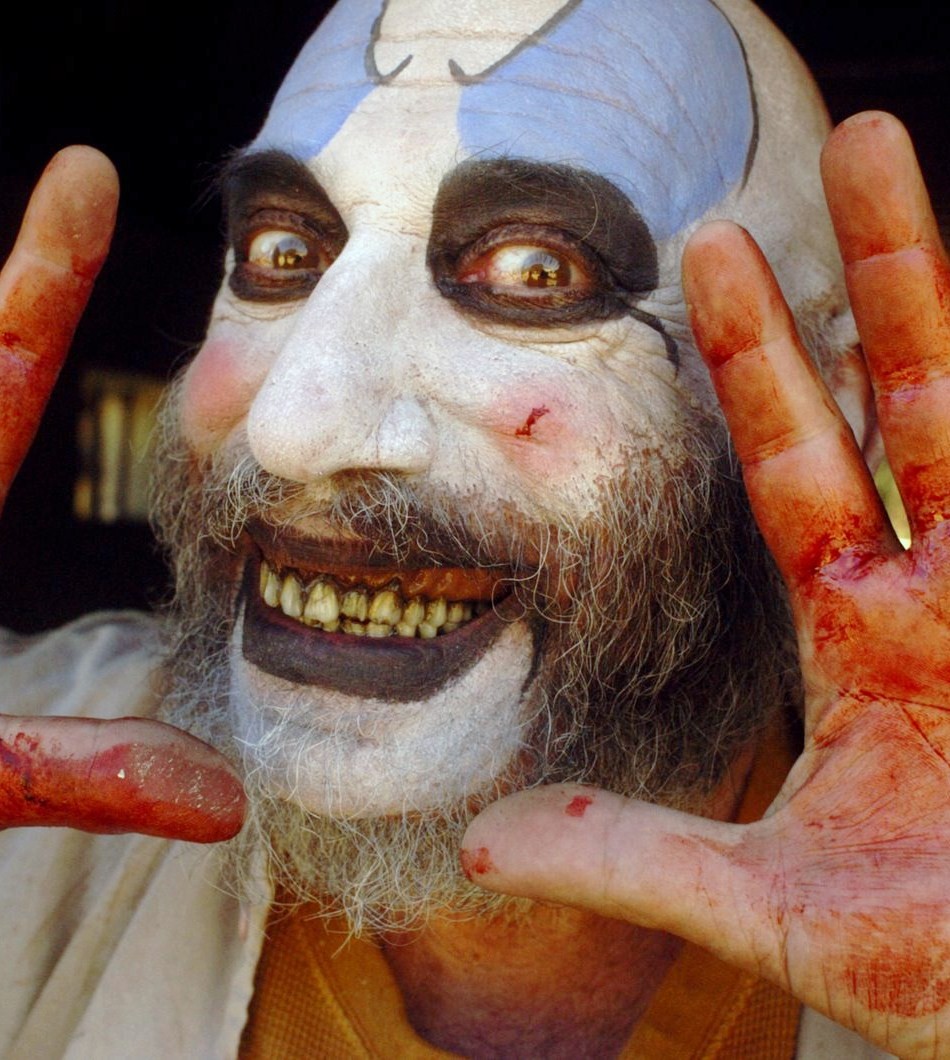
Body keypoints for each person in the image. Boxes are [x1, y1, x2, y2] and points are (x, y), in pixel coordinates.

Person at [1, 0, 947, 1056]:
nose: (293, 429)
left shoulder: (923, 882)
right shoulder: (29, 808)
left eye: (537, 272)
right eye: (282, 251)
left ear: (831, 401)